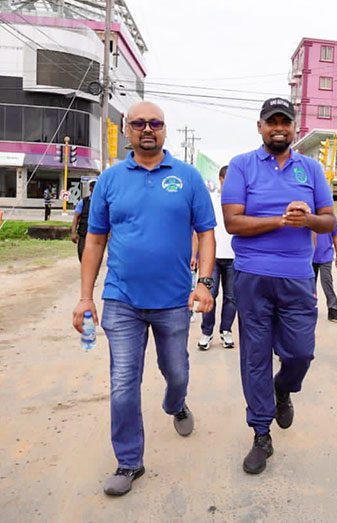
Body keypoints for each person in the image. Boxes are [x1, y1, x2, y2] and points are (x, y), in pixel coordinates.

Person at [71, 101, 216, 496]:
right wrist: (86, 297)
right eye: (139, 123)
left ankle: (176, 404)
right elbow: (95, 239)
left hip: (173, 301)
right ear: (127, 129)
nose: (147, 129)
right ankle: (129, 462)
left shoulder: (187, 178)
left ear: (165, 130)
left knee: (177, 372)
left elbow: (206, 233)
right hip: (122, 299)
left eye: (155, 123)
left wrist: (203, 282)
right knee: (122, 383)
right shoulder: (110, 180)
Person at [222, 97, 336, 475]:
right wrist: (279, 221)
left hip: (297, 277)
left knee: (301, 353)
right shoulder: (242, 166)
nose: (278, 128)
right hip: (252, 276)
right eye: (271, 122)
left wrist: (308, 220)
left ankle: (283, 388)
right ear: (260, 127)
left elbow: (329, 222)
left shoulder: (312, 169)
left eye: (285, 122)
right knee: (254, 357)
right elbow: (233, 223)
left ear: (294, 128)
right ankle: (260, 434)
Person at [198, 165, 237, 351]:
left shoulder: (241, 202)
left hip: (235, 258)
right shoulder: (211, 200)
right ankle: (206, 332)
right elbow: (200, 230)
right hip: (212, 257)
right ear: (221, 179)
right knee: (209, 295)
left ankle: (226, 330)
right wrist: (194, 254)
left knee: (231, 297)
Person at [312, 225, 337, 321]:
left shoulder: (330, 219)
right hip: (311, 256)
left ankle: (332, 308)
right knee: (310, 284)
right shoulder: (310, 215)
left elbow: (335, 237)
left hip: (326, 256)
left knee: (327, 281)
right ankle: (310, 306)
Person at [70, 180, 96, 261]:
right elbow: (76, 218)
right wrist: (73, 232)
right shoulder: (83, 202)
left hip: (96, 234)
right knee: (82, 254)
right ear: (90, 189)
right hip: (83, 233)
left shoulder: (102, 202)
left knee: (93, 257)